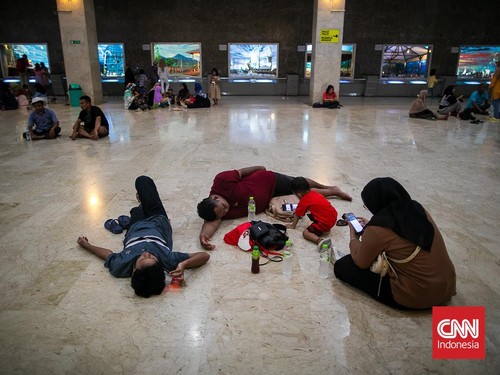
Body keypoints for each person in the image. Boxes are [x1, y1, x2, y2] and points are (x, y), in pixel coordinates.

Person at [76, 176, 210, 298]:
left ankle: (141, 205)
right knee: (143, 181)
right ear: (160, 266)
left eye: (142, 258)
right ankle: (143, 203)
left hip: (135, 225)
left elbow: (108, 255)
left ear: (134, 271)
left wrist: (86, 246)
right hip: (158, 220)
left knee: (137, 210)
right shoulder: (168, 261)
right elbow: (204, 256)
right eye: (152, 257)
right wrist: (184, 264)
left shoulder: (121, 265)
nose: (146, 253)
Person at [333, 177, 456, 309]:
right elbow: (405, 231)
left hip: (419, 295)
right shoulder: (418, 209)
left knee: (343, 266)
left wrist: (354, 238)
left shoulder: (378, 229)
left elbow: (361, 262)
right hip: (447, 286)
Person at [197, 166, 352, 250]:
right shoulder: (216, 211)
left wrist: (260, 169)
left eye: (224, 207)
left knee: (301, 187)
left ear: (215, 197)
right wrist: (204, 235)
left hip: (270, 180)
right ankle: (332, 191)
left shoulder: (221, 181)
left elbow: (242, 172)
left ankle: (331, 189)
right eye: (222, 213)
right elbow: (212, 222)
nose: (226, 211)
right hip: (270, 200)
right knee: (303, 197)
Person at [286, 177, 338, 247]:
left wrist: (292, 225)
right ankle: (325, 229)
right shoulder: (315, 193)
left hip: (324, 223)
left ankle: (319, 240)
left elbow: (298, 214)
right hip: (333, 217)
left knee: (305, 233)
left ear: (299, 195)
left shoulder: (304, 200)